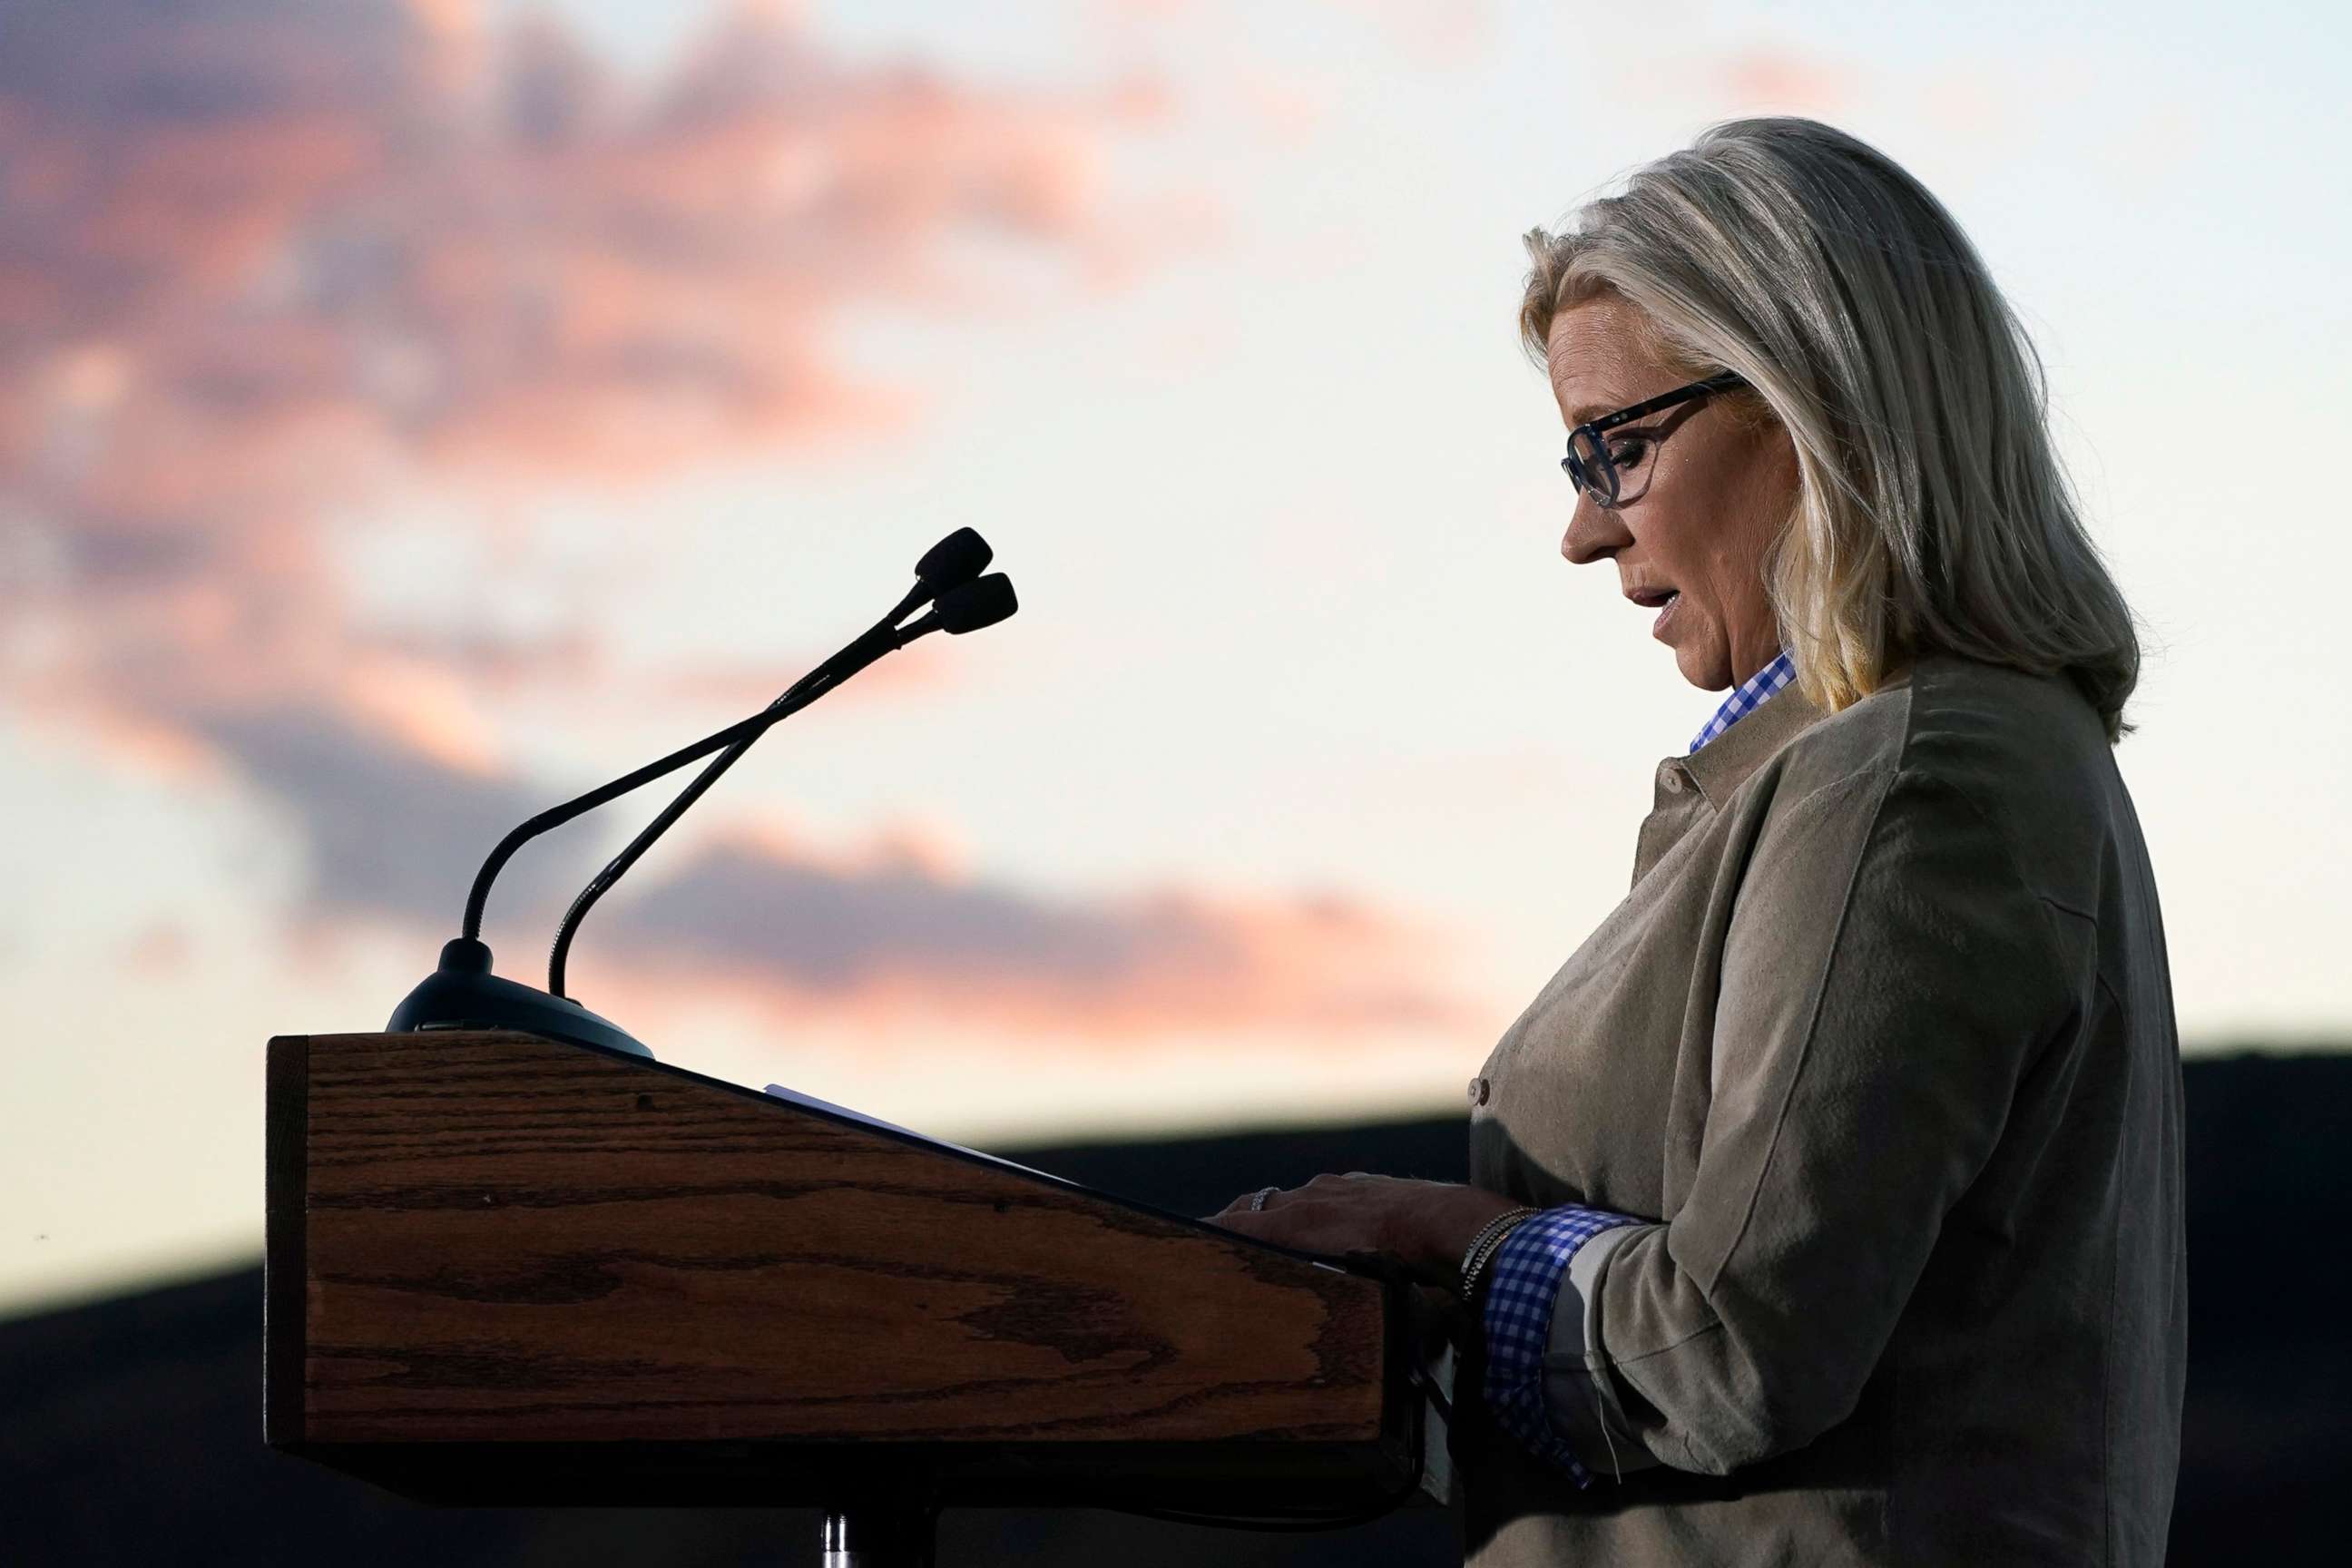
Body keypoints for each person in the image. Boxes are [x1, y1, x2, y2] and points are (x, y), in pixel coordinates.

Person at [1210, 116, 2186, 1566]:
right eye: (1573, 464)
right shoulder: (1873, 766)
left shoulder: (1919, 775)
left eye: (1617, 448)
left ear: (1810, 406)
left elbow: (1735, 1344)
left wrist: (1460, 1241)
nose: (1585, 534)